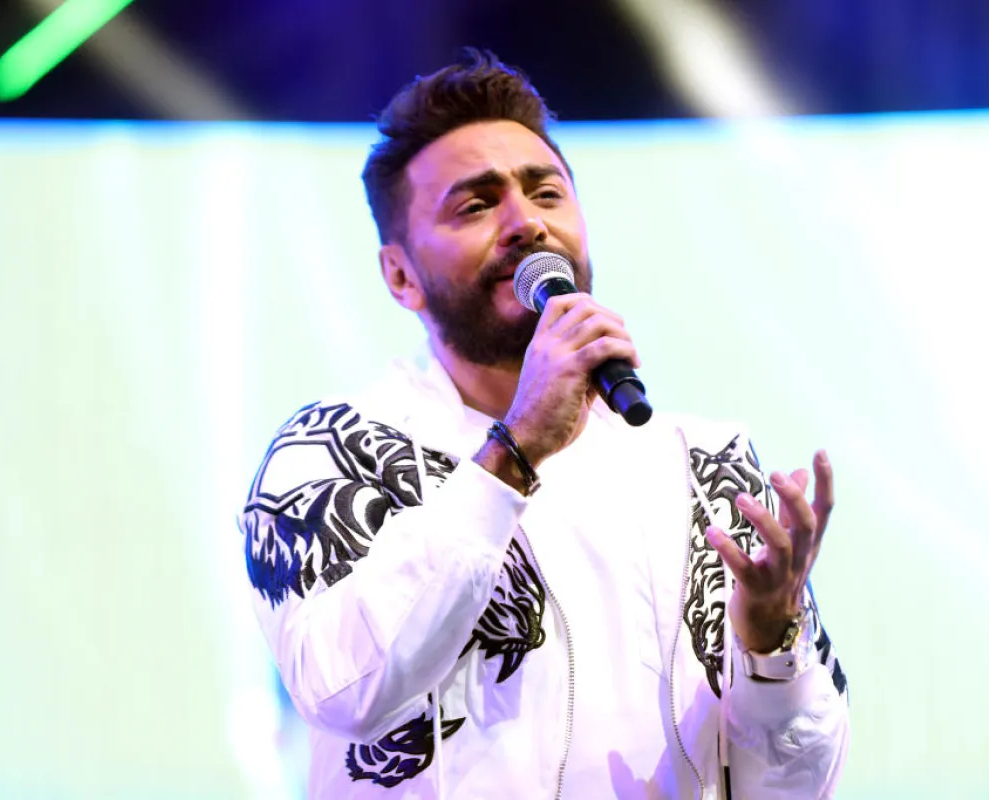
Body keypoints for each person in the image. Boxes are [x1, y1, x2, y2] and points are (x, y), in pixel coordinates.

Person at [240, 49, 850, 799]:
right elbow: (344, 689)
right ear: (400, 276)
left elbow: (793, 787)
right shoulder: (333, 452)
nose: (524, 223)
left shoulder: (705, 463)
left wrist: (771, 647)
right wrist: (519, 445)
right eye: (475, 205)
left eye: (546, 193)